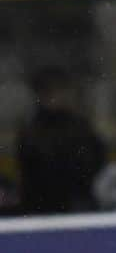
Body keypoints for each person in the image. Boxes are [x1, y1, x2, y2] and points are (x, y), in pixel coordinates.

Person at [16, 66, 106, 215]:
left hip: (80, 203)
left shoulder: (81, 126)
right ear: (41, 95)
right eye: (51, 92)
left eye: (63, 90)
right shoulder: (30, 132)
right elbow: (30, 173)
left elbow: (98, 159)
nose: (59, 96)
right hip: (42, 207)